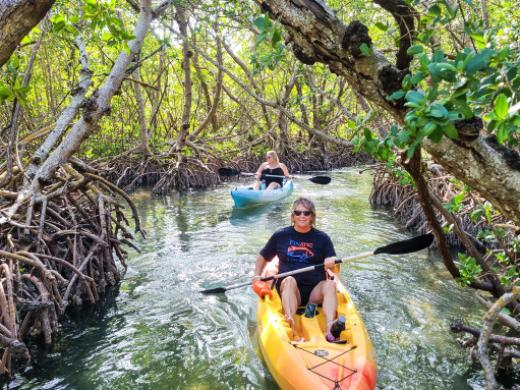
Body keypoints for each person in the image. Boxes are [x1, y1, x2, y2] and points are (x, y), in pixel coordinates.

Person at [253, 197, 341, 342]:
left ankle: (331, 326)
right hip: (291, 291)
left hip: (314, 292)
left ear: (312, 216)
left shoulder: (323, 238)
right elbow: (263, 256)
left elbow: (334, 267)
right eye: (298, 212)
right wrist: (256, 276)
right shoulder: (281, 235)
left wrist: (330, 262)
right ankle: (290, 322)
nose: (302, 216)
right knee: (289, 280)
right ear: (292, 216)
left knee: (330, 284)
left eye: (306, 213)